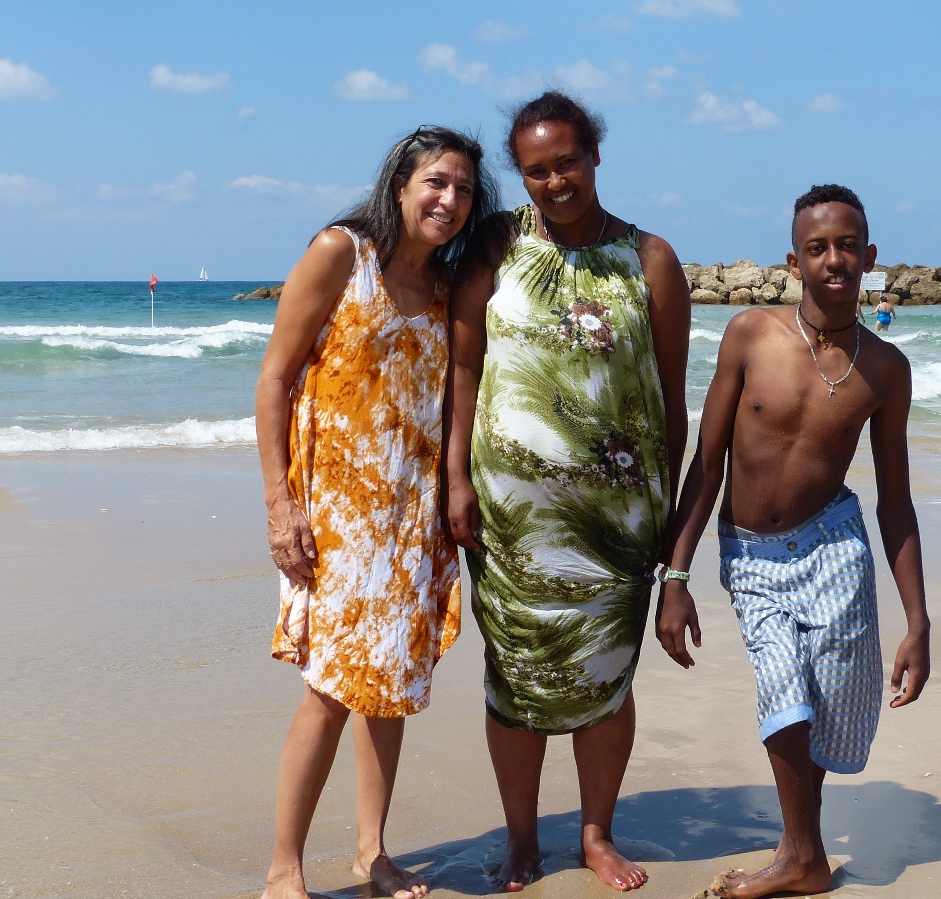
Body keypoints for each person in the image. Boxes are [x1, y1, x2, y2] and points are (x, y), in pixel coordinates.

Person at [655, 185, 931, 899]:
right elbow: (707, 462)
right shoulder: (750, 334)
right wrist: (675, 577)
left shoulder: (887, 369)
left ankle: (799, 851)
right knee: (784, 693)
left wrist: (919, 619)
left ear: (868, 258)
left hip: (833, 543)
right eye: (818, 248)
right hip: (750, 553)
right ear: (794, 260)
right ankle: (801, 857)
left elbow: (895, 501)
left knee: (829, 713)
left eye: (847, 246)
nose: (833, 259)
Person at [447, 90, 691, 893]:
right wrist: (454, 476)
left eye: (567, 163)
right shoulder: (494, 245)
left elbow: (669, 398)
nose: (554, 182)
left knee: (605, 679)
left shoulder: (649, 259)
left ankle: (594, 833)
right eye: (535, 171)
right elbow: (464, 367)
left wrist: (669, 515)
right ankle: (523, 840)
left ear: (594, 157)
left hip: (618, 522)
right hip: (512, 521)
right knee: (514, 678)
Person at [255, 126, 504, 899]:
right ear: (398, 184)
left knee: (388, 684)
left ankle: (373, 851)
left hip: (409, 516)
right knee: (331, 688)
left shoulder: (447, 284)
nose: (449, 200)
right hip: (333, 517)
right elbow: (274, 381)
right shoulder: (340, 253)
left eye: (463, 189)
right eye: (435, 182)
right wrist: (279, 504)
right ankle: (283, 868)